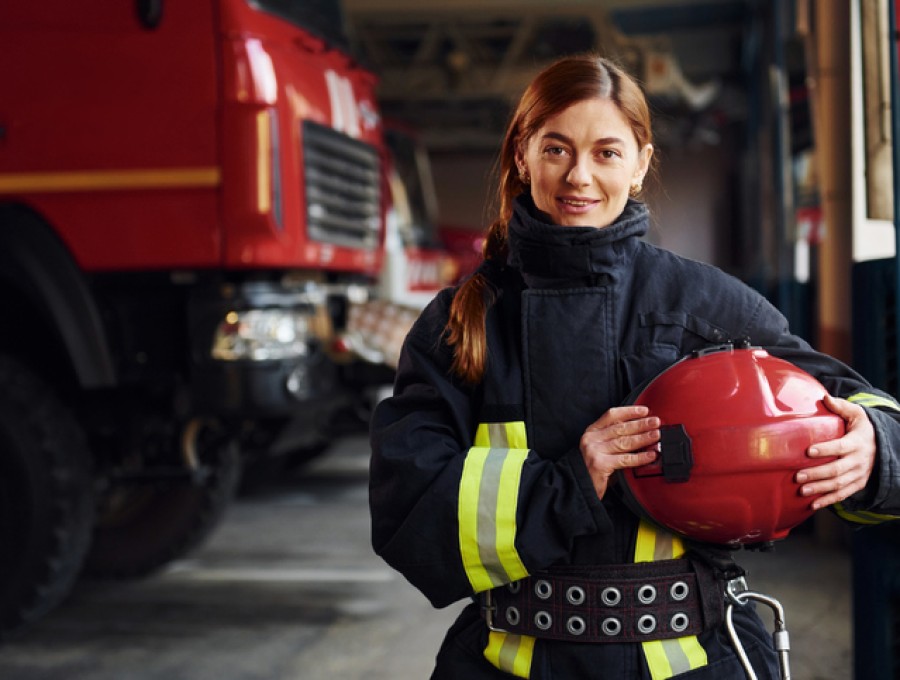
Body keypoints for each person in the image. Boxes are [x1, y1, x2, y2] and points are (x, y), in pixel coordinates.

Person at [368, 53, 900, 679]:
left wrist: (874, 447)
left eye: (607, 153)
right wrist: (570, 483)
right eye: (557, 149)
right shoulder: (461, 324)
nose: (579, 177)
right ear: (522, 155)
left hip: (696, 663)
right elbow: (407, 506)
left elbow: (856, 403)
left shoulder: (705, 305)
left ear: (641, 164)